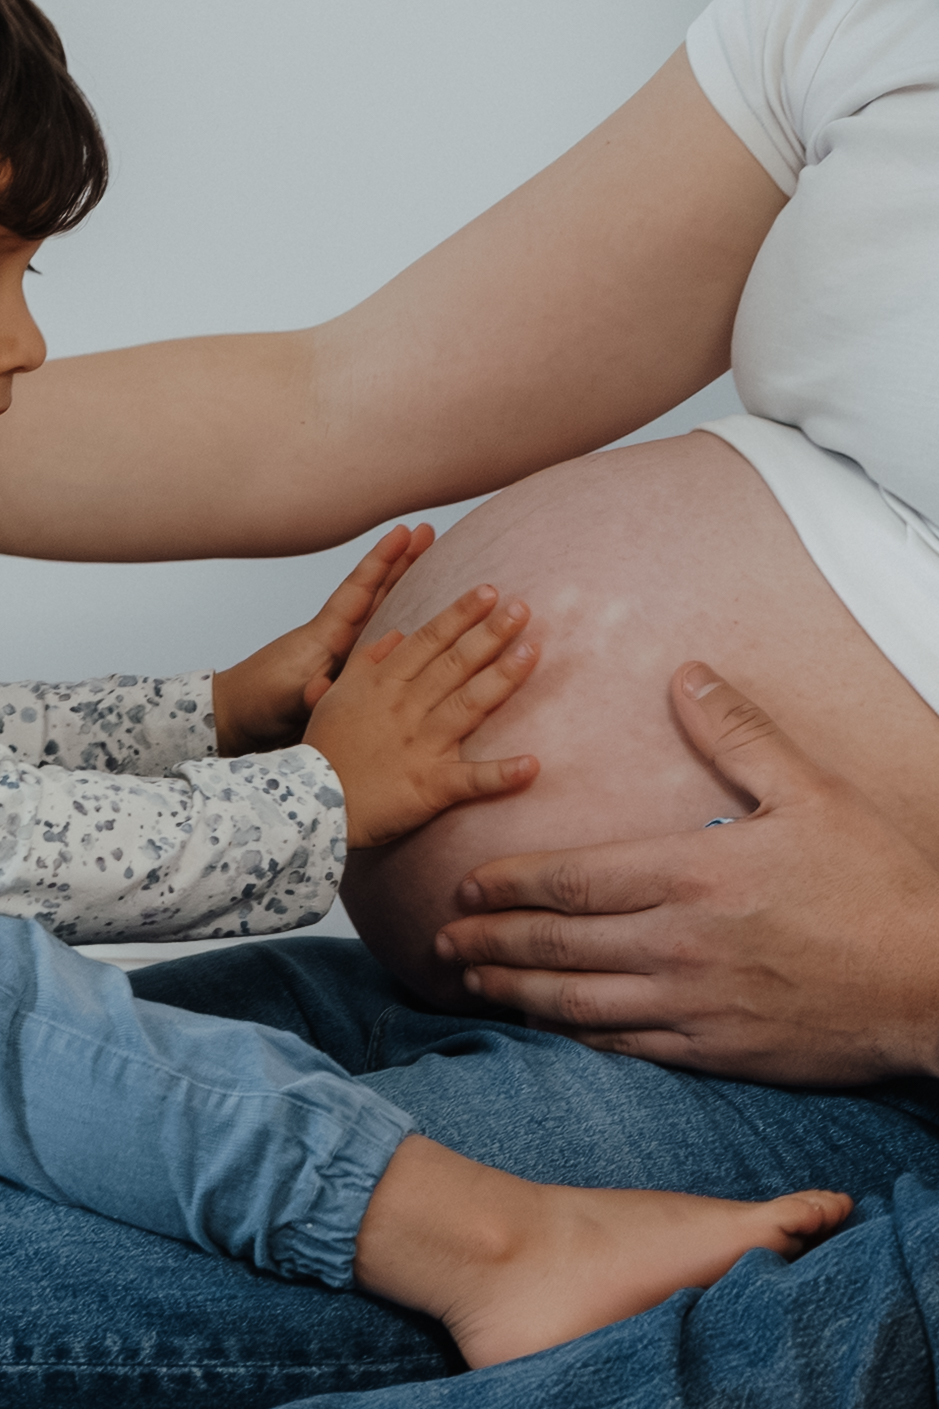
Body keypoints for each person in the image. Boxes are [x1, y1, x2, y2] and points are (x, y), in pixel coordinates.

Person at [3, 0, 939, 1404]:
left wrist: (915, 972)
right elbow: (331, 402)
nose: (29, 349)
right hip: (420, 981)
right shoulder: (876, 24)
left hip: (823, 1067)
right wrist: (219, 726)